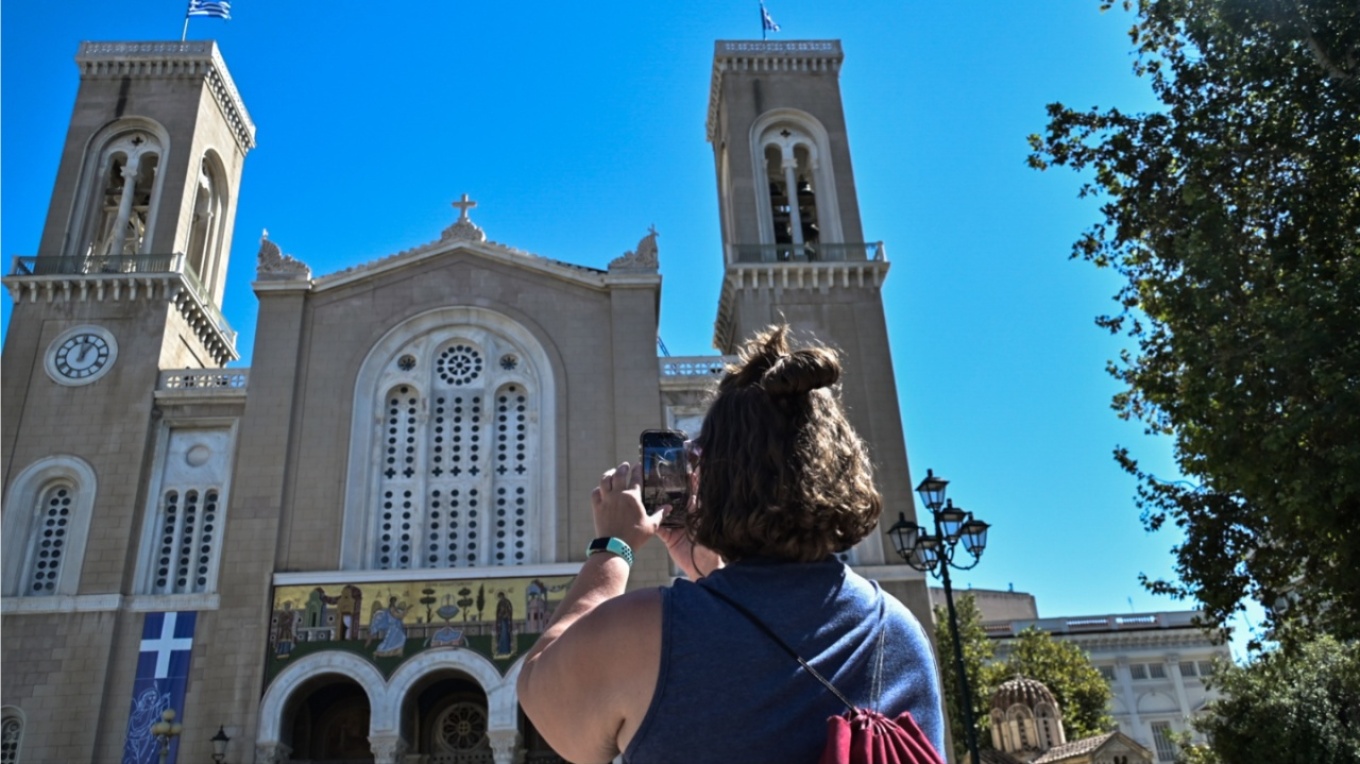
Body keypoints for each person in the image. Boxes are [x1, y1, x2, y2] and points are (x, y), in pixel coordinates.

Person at [517, 325, 945, 763]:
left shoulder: (651, 633)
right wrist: (708, 573)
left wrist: (612, 547)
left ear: (711, 474)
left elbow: (540, 691)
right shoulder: (899, 632)